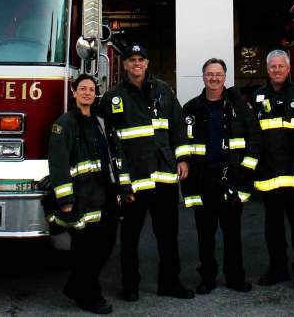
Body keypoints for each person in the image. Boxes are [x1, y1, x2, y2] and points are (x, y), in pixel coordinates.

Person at [98, 44, 194, 302]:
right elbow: (110, 142)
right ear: (126, 64)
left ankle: (170, 283)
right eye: (132, 60)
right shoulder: (114, 97)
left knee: (168, 236)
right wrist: (121, 182)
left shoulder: (163, 90)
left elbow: (177, 127)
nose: (137, 64)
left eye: (141, 59)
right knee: (129, 238)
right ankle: (130, 286)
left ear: (147, 63)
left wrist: (182, 157)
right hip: (135, 180)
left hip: (163, 175)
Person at [180, 58, 260, 294]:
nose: (214, 78)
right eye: (209, 74)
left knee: (233, 234)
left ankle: (235, 278)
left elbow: (255, 139)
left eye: (218, 74)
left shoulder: (239, 107)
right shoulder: (191, 109)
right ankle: (207, 279)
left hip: (231, 181)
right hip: (202, 181)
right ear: (203, 77)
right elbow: (181, 142)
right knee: (205, 236)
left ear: (225, 77)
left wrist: (245, 169)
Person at [47, 74, 118, 314]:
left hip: (105, 192)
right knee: (86, 250)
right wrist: (65, 200)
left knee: (106, 245)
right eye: (83, 89)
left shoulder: (101, 120)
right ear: (74, 93)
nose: (88, 92)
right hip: (82, 197)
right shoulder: (64, 124)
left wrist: (123, 188)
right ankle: (89, 295)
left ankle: (75, 287)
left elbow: (112, 155)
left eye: (91, 89)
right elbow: (58, 164)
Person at [249, 49, 294, 290]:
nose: (277, 70)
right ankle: (277, 270)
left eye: (281, 66)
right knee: (273, 229)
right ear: (267, 70)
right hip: (269, 175)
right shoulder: (257, 97)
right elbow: (253, 136)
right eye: (273, 66)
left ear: (288, 69)